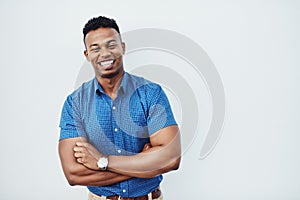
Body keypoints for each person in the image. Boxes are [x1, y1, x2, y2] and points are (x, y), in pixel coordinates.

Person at [58, 16, 181, 200]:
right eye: (95, 48)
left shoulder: (150, 93)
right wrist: (145, 164)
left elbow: (171, 158)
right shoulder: (75, 103)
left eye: (111, 45)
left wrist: (102, 161)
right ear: (87, 55)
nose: (105, 53)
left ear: (122, 47)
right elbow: (73, 173)